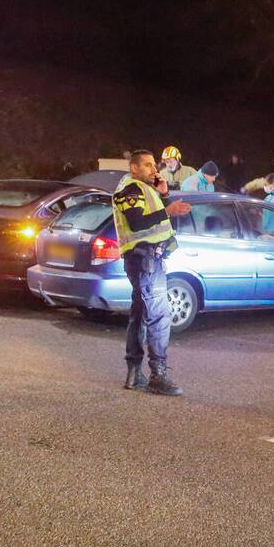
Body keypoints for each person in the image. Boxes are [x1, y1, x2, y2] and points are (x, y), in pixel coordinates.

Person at [111, 149, 193, 396]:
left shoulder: (146, 189)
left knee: (140, 315)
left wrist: (165, 195)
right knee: (159, 316)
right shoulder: (130, 188)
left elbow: (161, 221)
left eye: (153, 165)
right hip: (144, 258)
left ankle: (135, 374)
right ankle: (158, 375)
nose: (153, 169)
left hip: (147, 259)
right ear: (133, 168)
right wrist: (168, 210)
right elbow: (137, 222)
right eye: (147, 165)